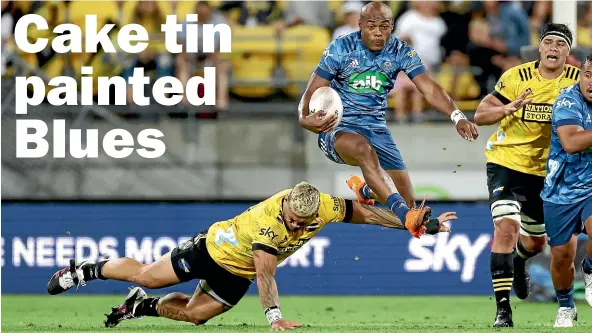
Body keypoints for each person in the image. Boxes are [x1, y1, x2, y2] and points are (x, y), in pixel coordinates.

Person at [46, 182, 457, 331]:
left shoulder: (324, 206)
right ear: (286, 209)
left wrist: (408, 222)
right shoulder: (268, 223)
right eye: (293, 219)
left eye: (303, 222)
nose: (297, 227)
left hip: (235, 273)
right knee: (149, 275)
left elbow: (364, 212)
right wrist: (274, 318)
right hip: (212, 250)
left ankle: (142, 309)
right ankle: (88, 269)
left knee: (194, 317)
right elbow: (266, 275)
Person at [297, 2, 478, 239]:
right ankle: (398, 207)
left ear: (392, 26)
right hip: (338, 129)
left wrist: (458, 116)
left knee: (409, 206)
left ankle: (367, 189)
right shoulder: (340, 48)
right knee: (363, 150)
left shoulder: (400, 50)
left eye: (384, 26)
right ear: (360, 25)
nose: (378, 32)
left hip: (376, 130)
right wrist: (303, 119)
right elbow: (312, 91)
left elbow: (429, 88)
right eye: (371, 26)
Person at [473, 23, 581, 327]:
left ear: (568, 52)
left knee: (535, 243)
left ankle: (519, 261)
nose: (554, 48)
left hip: (546, 171)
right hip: (506, 162)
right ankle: (503, 310)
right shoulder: (516, 77)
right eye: (549, 42)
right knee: (506, 228)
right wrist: (508, 108)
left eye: (561, 44)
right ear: (540, 47)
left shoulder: (577, 81)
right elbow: (481, 114)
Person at [540, 55, 592, 328]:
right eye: (588, 75)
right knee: (562, 256)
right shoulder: (568, 101)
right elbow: (571, 142)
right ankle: (566, 306)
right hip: (561, 189)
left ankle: (591, 269)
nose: (591, 82)